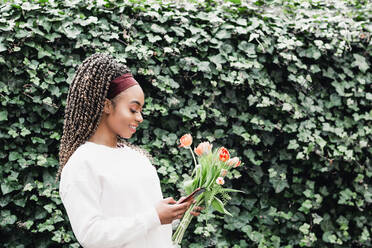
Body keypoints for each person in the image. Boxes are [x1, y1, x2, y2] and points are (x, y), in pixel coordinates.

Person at [57, 53, 201, 248]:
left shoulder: (137, 158)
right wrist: (154, 216)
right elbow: (90, 235)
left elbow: (146, 222)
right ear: (107, 105)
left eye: (140, 111)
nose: (140, 117)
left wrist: (174, 214)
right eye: (133, 109)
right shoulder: (82, 163)